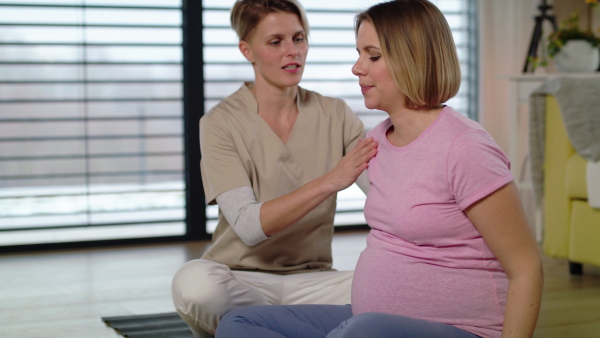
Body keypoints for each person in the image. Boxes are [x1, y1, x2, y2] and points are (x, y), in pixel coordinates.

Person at [215, 0, 544, 337]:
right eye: (359, 53)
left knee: (359, 330)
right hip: (366, 321)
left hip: (459, 329)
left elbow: (526, 267)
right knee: (238, 323)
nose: (357, 68)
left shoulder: (465, 147)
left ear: (412, 58)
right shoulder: (377, 140)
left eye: (372, 56)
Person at [170, 0, 378, 336]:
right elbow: (250, 226)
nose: (292, 52)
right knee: (194, 283)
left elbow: (383, 192)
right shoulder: (219, 123)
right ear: (247, 50)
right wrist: (329, 181)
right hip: (242, 280)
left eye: (299, 38)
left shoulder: (336, 114)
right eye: (275, 42)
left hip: (316, 281)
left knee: (392, 284)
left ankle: (266, 329)